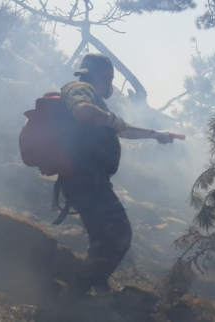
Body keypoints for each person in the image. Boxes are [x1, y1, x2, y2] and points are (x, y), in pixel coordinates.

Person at [58, 53, 178, 300]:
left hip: (89, 180)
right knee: (119, 236)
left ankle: (97, 286)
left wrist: (155, 134)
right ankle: (72, 298)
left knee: (101, 238)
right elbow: (82, 112)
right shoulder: (80, 88)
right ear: (102, 76)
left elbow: (121, 129)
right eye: (109, 80)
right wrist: (111, 119)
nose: (109, 86)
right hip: (86, 181)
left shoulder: (96, 100)